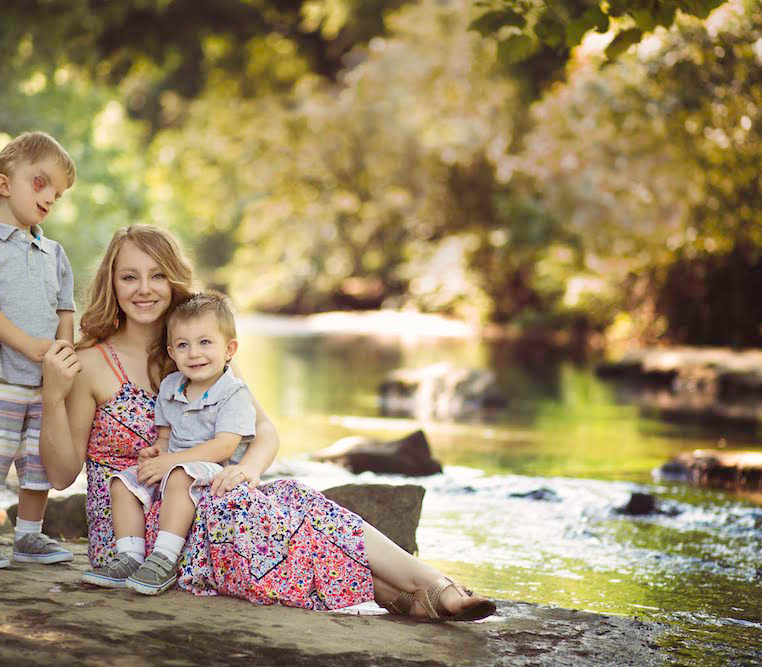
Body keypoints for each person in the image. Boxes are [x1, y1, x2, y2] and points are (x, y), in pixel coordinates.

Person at [40, 224, 496, 621]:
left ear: (174, 280)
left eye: (158, 275)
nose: (145, 288)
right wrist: (53, 398)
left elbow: (265, 431)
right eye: (130, 277)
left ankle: (420, 590)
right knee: (255, 516)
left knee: (290, 496)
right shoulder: (93, 363)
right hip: (134, 536)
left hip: (200, 500)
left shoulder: (196, 348)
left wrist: (249, 469)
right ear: (111, 284)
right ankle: (429, 589)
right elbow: (61, 476)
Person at [0, 131, 77, 570]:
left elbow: (65, 309)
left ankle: (29, 535)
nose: (49, 198)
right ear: (5, 184)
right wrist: (29, 345)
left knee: (37, 460)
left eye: (58, 194)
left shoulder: (54, 253)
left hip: (43, 382)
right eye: (41, 183)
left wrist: (61, 355)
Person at [82, 291, 256, 594]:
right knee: (122, 481)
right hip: (175, 464)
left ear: (229, 349)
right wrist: (157, 453)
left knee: (178, 476)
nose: (194, 353)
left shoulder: (233, 392)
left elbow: (224, 446)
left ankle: (164, 558)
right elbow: (164, 435)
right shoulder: (171, 386)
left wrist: (172, 462)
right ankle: (130, 556)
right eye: (183, 345)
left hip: (212, 471)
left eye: (205, 343)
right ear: (171, 352)